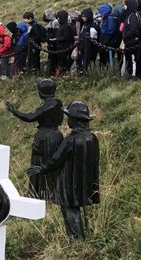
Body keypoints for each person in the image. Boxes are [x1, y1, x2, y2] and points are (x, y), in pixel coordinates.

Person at [36, 101, 99, 241]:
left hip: (69, 183)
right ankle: (81, 236)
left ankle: (76, 239)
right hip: (85, 181)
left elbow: (56, 159)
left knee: (70, 210)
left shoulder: (70, 140)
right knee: (76, 210)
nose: (67, 120)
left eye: (69, 117)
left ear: (75, 120)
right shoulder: (92, 138)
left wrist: (42, 169)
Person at [7, 79, 65, 199]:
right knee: (51, 161)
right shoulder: (57, 103)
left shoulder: (48, 105)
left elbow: (30, 117)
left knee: (42, 161)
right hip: (55, 134)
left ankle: (43, 192)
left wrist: (15, 112)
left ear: (42, 92)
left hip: (46, 136)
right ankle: (48, 192)